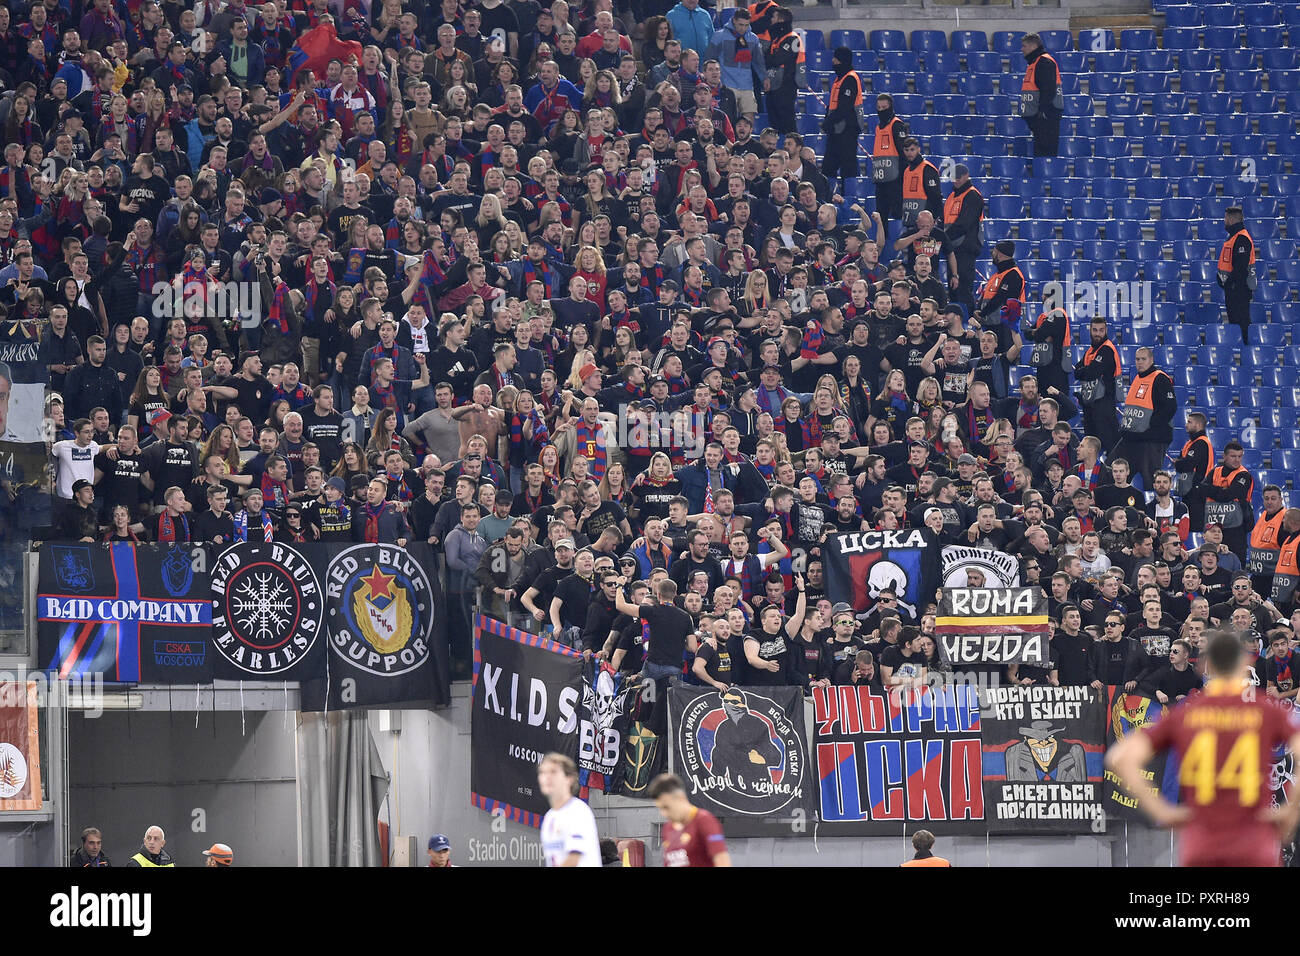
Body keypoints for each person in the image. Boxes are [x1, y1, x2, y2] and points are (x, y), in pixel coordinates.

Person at [1106, 629, 1300, 866]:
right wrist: (1290, 810)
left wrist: (1162, 811)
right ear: (1243, 666)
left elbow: (1120, 758)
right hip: (1253, 838)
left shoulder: (1189, 712)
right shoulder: (1265, 711)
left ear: (1206, 667)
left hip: (1203, 841)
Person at [649, 772, 732, 867]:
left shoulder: (704, 821)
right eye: (660, 808)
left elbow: (722, 861)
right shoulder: (667, 828)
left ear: (681, 798)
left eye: (666, 807)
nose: (663, 813)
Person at [538, 752, 600, 867]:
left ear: (569, 779)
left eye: (553, 772)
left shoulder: (578, 811)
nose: (547, 777)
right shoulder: (549, 817)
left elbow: (573, 860)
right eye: (542, 772)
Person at [822, 47, 862, 195]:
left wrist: (828, 122)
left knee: (848, 168)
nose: (833, 61)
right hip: (836, 131)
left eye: (836, 59)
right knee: (829, 167)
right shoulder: (840, 79)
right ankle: (827, 199)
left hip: (846, 131)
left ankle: (849, 201)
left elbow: (844, 107)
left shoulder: (850, 78)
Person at [1019, 32, 1063, 158]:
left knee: (1046, 152)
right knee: (1041, 151)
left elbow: (1048, 90)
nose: (1022, 49)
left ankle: (1046, 175)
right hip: (1040, 117)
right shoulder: (1035, 62)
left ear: (1033, 46)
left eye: (1024, 46)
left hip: (1046, 117)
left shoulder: (1043, 62)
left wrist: (1041, 112)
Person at [1217, 206, 1257, 341]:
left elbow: (1240, 267)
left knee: (1241, 324)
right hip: (1233, 289)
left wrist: (1229, 283)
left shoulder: (1242, 238)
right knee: (1235, 323)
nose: (1224, 221)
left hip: (1239, 289)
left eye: (1225, 218)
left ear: (1230, 219)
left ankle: (1245, 351)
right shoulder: (1234, 237)